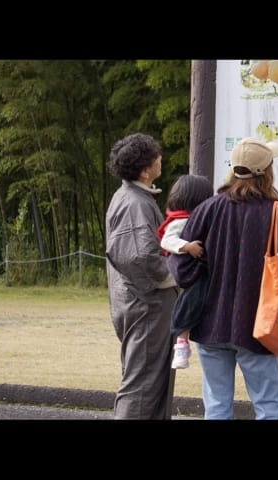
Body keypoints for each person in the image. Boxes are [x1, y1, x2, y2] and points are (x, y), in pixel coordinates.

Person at [167, 137, 278, 420]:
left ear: (233, 169)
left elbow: (182, 269)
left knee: (216, 409)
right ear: (266, 171)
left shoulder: (207, 209)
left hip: (209, 324)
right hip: (258, 325)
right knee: (269, 409)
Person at [105, 132, 178, 420]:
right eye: (155, 156)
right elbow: (139, 257)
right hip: (145, 307)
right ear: (145, 170)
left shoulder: (131, 196)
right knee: (142, 384)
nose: (160, 158)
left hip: (142, 304)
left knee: (150, 380)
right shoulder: (134, 202)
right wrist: (176, 274)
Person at [157, 174, 214, 369]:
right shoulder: (180, 220)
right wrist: (187, 247)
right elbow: (167, 240)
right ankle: (181, 343)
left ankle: (183, 341)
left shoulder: (198, 218)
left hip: (196, 272)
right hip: (190, 270)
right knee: (190, 301)